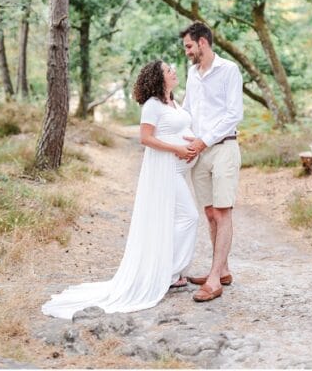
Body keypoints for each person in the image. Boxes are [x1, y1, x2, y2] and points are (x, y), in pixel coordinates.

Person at [42, 60, 199, 318]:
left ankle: (166, 269)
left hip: (180, 169)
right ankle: (169, 272)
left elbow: (180, 128)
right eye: (168, 70)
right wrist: (178, 149)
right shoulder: (152, 105)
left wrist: (192, 142)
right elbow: (145, 138)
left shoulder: (173, 102)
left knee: (173, 219)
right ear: (159, 79)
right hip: (166, 170)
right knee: (189, 217)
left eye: (172, 69)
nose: (173, 72)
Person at [180, 22, 243, 303]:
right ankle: (223, 269)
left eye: (189, 46)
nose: (187, 52)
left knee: (222, 212)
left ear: (203, 42)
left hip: (224, 148)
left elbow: (233, 114)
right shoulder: (192, 74)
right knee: (208, 213)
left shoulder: (229, 70)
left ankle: (215, 278)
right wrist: (181, 139)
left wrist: (204, 140)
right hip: (199, 153)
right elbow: (188, 110)